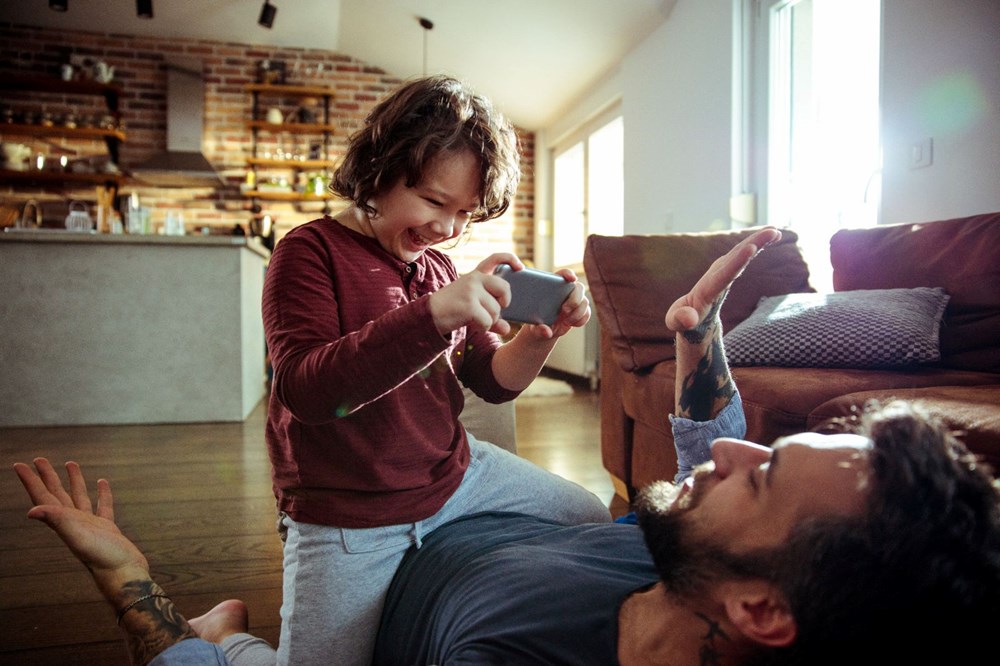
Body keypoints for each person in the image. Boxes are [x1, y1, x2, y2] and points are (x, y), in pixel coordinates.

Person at [14, 229, 1000, 664]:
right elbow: (717, 439)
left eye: (766, 472)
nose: (737, 452)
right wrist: (698, 330)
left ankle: (214, 636)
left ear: (758, 609)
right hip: (442, 496)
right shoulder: (700, 555)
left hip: (375, 563)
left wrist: (129, 590)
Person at [256, 74, 609, 665]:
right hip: (349, 511)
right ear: (377, 170)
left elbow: (492, 382)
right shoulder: (308, 251)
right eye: (433, 202)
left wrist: (545, 333)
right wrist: (430, 318)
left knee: (590, 516)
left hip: (455, 474)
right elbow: (307, 391)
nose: (447, 229)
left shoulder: (439, 269)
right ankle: (223, 638)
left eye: (466, 213)